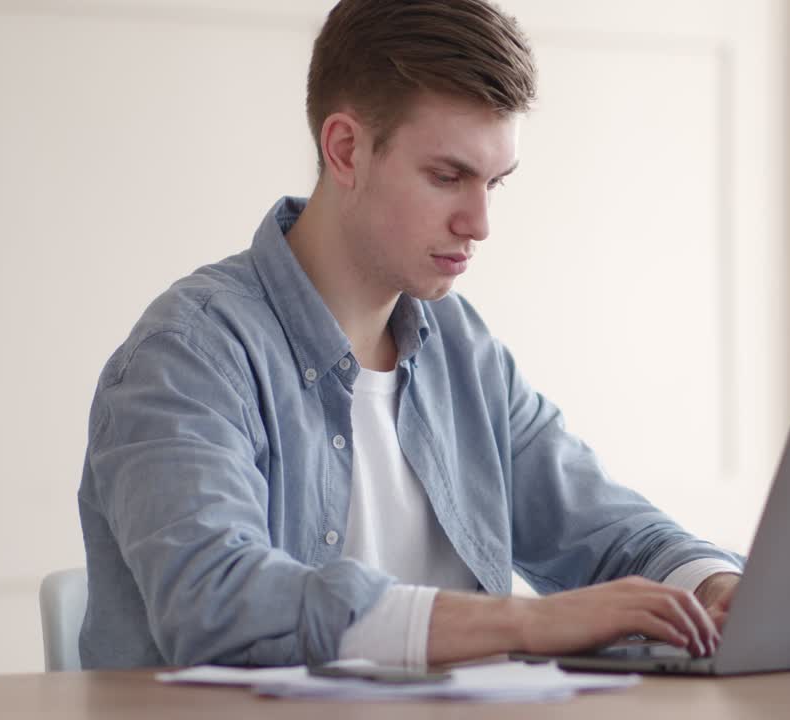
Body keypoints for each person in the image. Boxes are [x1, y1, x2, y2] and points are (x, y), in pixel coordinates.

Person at [77, 0, 744, 670]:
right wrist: (526, 622)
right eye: (447, 177)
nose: (479, 223)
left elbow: (603, 527)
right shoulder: (188, 355)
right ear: (346, 150)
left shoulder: (462, 349)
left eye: (495, 183)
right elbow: (218, 603)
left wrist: (716, 586)